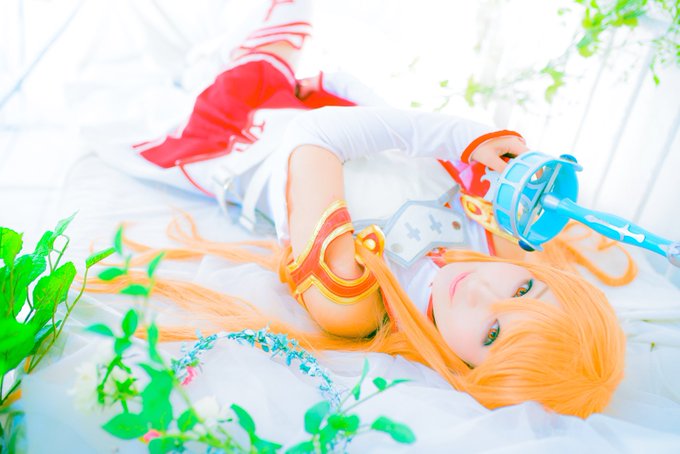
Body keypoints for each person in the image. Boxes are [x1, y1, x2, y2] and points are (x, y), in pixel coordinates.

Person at [94, 0, 637, 418]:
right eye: (523, 289)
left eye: (492, 332)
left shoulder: (351, 299)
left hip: (250, 132)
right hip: (351, 112)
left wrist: (463, 138)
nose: (480, 289)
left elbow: (315, 136)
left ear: (469, 371)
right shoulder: (497, 246)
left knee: (178, 66)